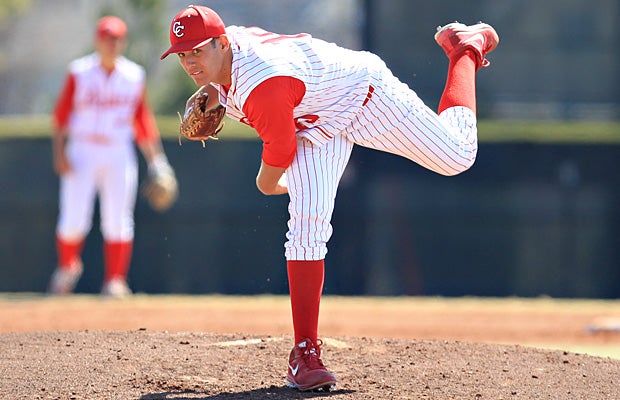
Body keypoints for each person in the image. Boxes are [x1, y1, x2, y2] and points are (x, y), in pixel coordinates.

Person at [161, 5, 499, 391]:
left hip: (360, 94)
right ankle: (305, 354)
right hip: (312, 120)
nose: (189, 61)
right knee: (306, 227)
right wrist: (213, 85)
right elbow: (247, 76)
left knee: (457, 155)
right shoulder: (229, 45)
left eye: (198, 51)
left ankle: (464, 49)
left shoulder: (262, 85)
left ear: (222, 43)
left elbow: (278, 154)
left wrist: (268, 185)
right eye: (182, 54)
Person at [48, 16, 175, 298]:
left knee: (118, 218)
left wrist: (158, 160)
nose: (111, 43)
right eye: (107, 37)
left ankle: (115, 281)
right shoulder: (79, 72)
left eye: (116, 38)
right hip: (82, 148)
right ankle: (67, 267)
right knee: (73, 218)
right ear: (97, 40)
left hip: (118, 150)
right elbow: (60, 117)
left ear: (123, 42)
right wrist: (59, 153)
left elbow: (142, 122)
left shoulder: (134, 75)